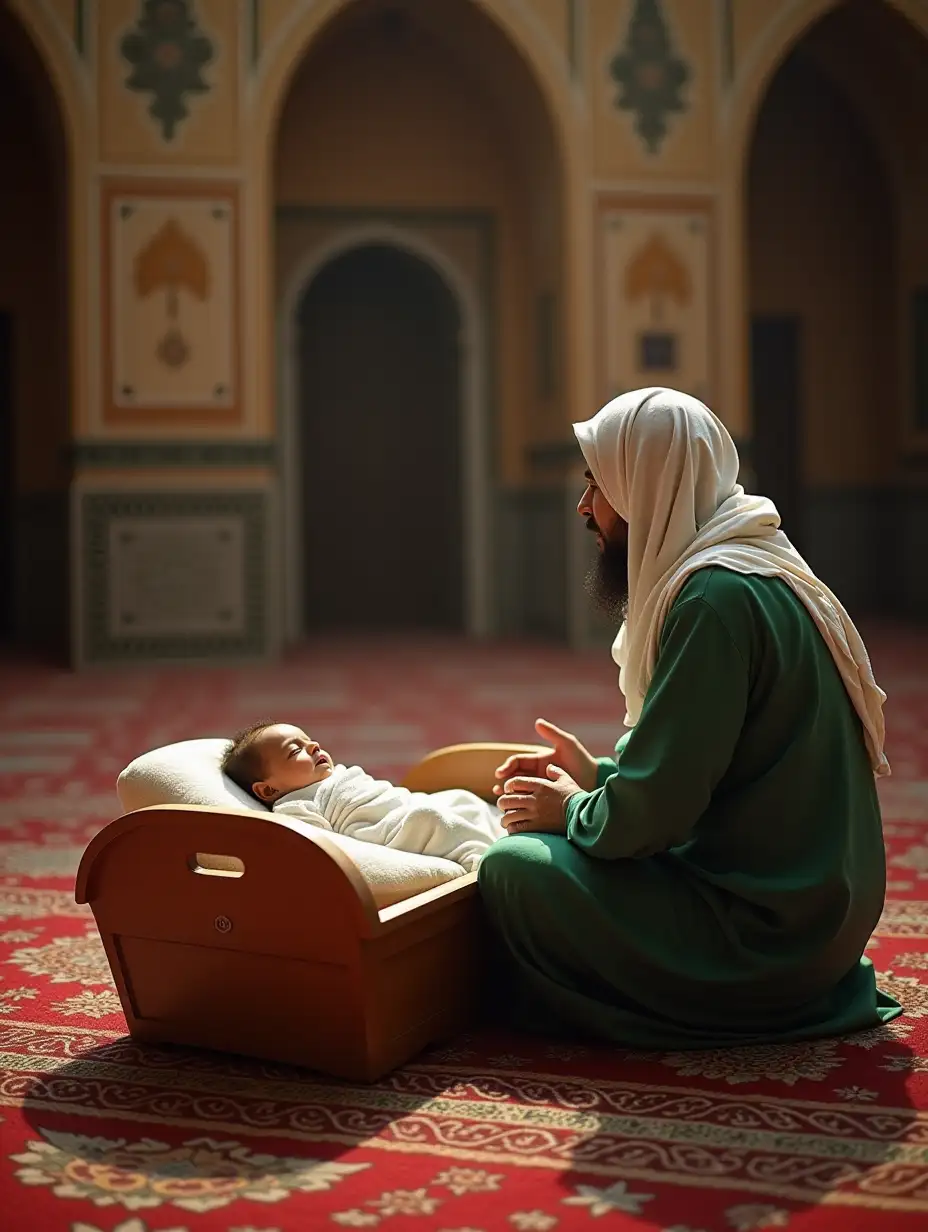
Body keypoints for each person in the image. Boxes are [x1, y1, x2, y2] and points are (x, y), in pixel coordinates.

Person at [478, 386, 901, 1048]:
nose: (584, 508)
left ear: (651, 484)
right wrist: (598, 775)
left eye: (599, 484)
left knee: (513, 867)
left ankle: (656, 1009)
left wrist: (572, 811)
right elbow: (714, 767)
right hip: (819, 927)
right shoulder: (759, 571)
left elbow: (651, 816)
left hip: (762, 938)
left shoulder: (711, 599)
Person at [221, 721, 504, 872]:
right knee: (433, 821)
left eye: (309, 740)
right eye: (295, 751)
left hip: (406, 803)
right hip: (394, 831)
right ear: (268, 789)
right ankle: (483, 866)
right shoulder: (295, 805)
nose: (313, 746)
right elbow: (313, 849)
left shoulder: (332, 775)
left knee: (460, 800)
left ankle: (503, 827)